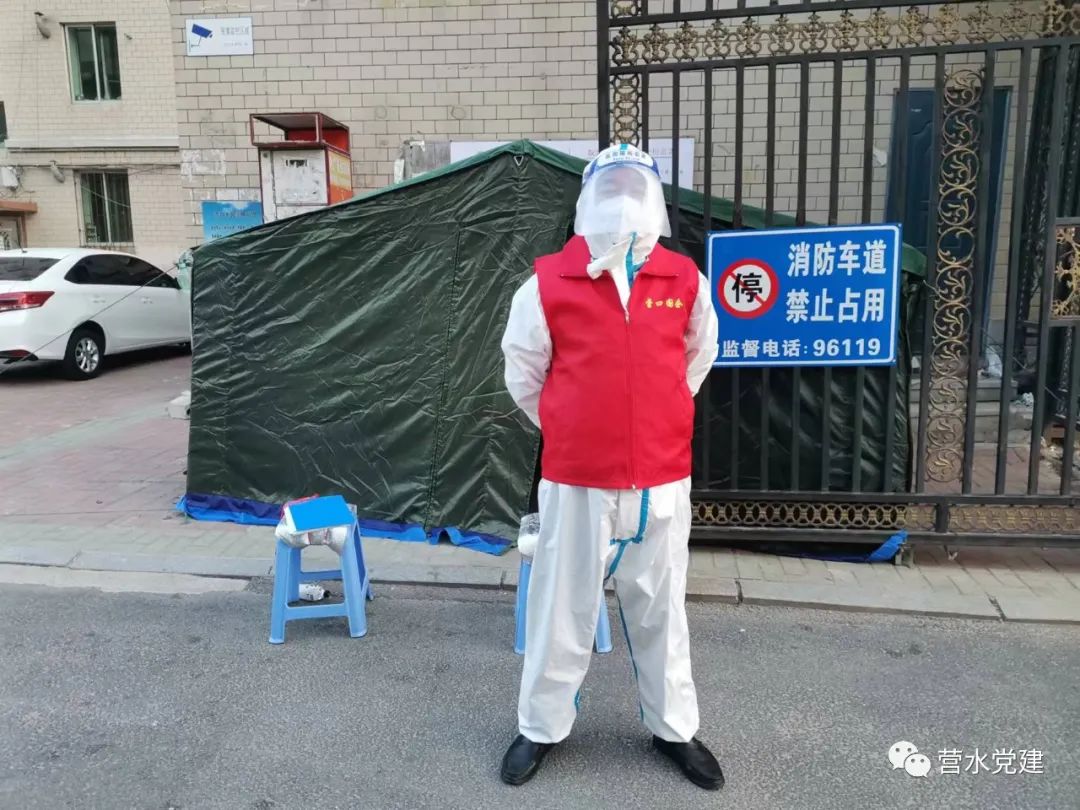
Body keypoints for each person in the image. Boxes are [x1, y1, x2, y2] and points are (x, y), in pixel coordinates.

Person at [499, 144, 722, 789]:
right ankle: (540, 727)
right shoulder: (548, 283)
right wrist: (575, 425)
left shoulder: (683, 280)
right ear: (588, 197)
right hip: (578, 480)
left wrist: (655, 416)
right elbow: (524, 372)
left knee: (662, 609)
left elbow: (698, 356)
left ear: (653, 197)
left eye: (635, 186)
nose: (623, 198)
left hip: (662, 478)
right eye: (611, 186)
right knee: (561, 609)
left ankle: (674, 728)